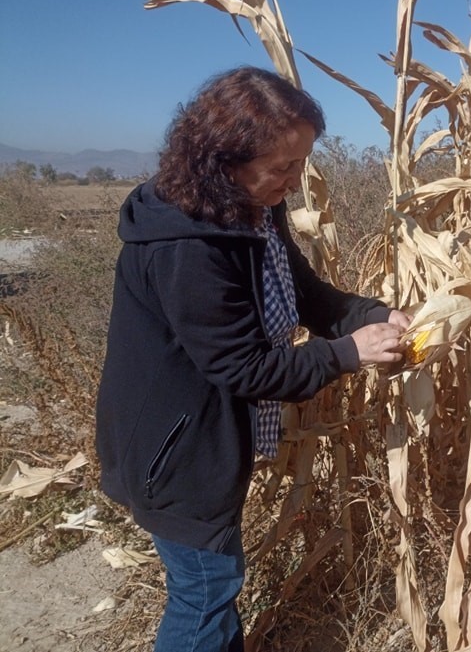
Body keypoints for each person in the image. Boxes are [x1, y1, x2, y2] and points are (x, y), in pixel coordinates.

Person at [95, 66, 410, 652]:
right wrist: (347, 354)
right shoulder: (187, 246)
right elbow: (242, 369)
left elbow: (307, 293)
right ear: (223, 160)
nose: (295, 181)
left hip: (200, 436)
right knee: (205, 592)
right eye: (283, 166)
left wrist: (371, 316)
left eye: (301, 164)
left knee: (212, 585)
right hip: (176, 451)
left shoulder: (253, 214)